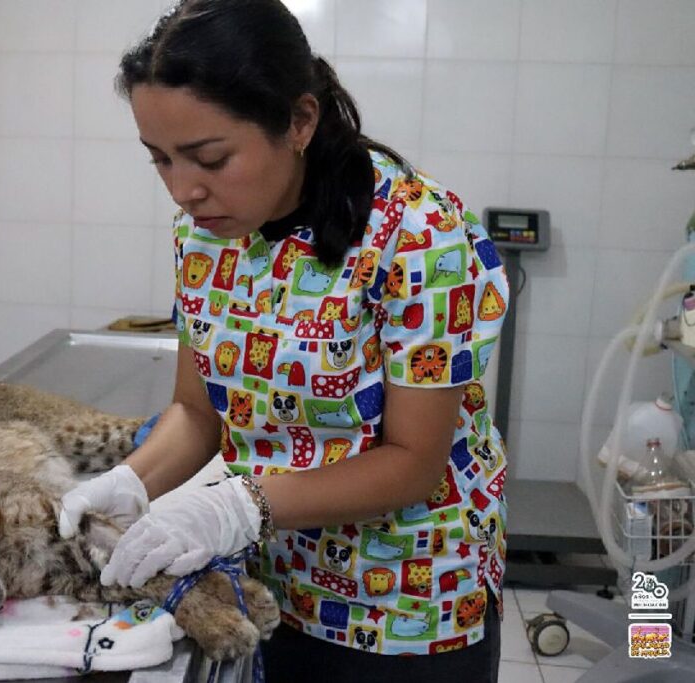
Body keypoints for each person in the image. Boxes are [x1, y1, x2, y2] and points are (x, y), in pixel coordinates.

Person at [58, 1, 509, 680]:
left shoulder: (419, 236)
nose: (184, 190)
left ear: (299, 121)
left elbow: (414, 461)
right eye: (160, 160)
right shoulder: (207, 234)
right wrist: (130, 482)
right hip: (269, 590)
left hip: (408, 612)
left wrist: (240, 504)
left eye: (209, 157)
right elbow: (197, 410)